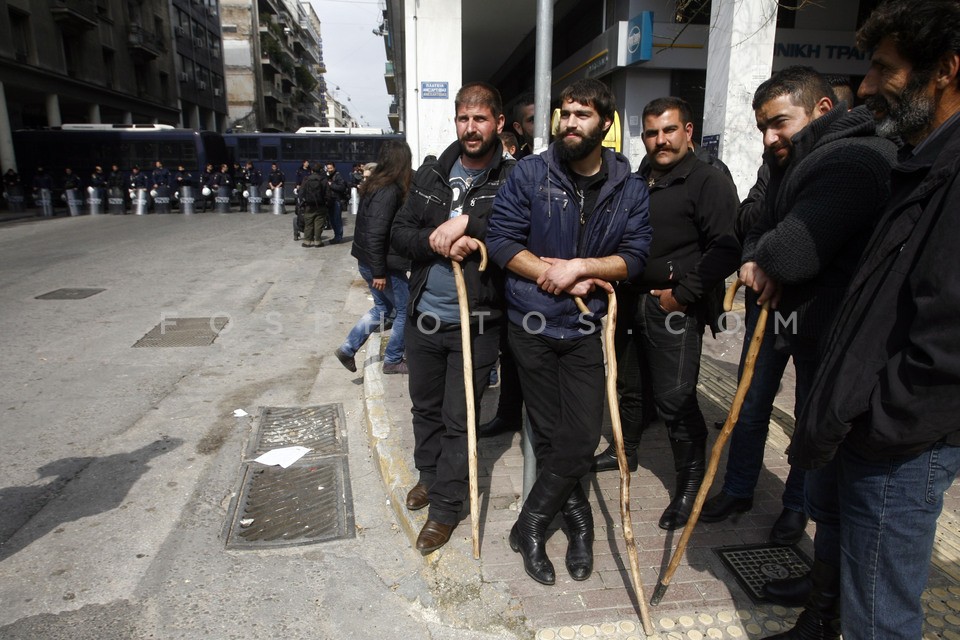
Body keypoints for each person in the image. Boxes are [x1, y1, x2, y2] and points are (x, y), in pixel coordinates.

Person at [767, 3, 960, 639]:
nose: (868, 86)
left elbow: (946, 338)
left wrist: (880, 420)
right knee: (856, 585)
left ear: (946, 71)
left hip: (903, 440)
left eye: (886, 69)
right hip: (870, 420)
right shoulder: (919, 159)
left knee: (880, 615)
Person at [726, 66, 897, 637]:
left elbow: (793, 251)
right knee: (823, 474)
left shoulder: (852, 159)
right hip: (814, 346)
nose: (771, 137)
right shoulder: (787, 166)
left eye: (781, 123)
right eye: (763, 128)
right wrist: (760, 254)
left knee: (856, 507)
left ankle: (832, 604)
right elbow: (753, 225)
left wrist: (770, 255)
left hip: (853, 357)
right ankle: (821, 605)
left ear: (822, 109)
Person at [486, 78, 652, 584]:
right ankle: (580, 526)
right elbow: (500, 239)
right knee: (557, 435)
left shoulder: (630, 186)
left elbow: (637, 255)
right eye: (565, 113)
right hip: (531, 326)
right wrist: (546, 273)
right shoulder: (529, 174)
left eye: (582, 115)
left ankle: (530, 523)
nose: (570, 123)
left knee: (580, 438)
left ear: (605, 122)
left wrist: (581, 266)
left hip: (585, 327)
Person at [589, 96, 740, 531]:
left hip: (673, 308)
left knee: (674, 397)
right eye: (652, 133)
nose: (661, 140)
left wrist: (683, 295)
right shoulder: (639, 180)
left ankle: (690, 486)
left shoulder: (707, 181)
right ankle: (626, 453)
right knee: (630, 387)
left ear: (688, 131)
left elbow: (727, 248)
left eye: (669, 130)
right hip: (630, 301)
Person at [390, 82, 515, 554]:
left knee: (459, 418)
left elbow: (517, 225)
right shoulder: (431, 174)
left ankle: (446, 507)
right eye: (464, 118)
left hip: (476, 322)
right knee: (423, 409)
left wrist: (470, 226)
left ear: (498, 124)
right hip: (424, 316)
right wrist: (436, 241)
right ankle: (429, 476)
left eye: (480, 119)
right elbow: (400, 235)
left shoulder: (513, 177)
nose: (471, 128)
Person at [334, 140, 413, 375]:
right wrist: (379, 271)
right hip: (382, 265)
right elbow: (376, 233)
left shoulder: (376, 185)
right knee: (405, 309)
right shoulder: (389, 191)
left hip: (371, 261)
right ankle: (393, 359)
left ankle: (347, 349)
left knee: (382, 309)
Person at [298, 164, 328, 248]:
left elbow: (301, 193)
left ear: (311, 171)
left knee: (308, 224)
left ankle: (307, 242)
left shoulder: (306, 179)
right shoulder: (323, 180)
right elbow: (328, 194)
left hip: (308, 206)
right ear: (321, 171)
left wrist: (302, 202)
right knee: (318, 224)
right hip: (321, 206)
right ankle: (318, 242)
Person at [324, 162, 348, 243]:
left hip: (337, 200)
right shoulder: (327, 176)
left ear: (334, 168)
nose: (329, 170)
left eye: (331, 168)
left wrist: (331, 185)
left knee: (337, 219)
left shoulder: (338, 176)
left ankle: (338, 237)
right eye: (328, 168)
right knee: (332, 220)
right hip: (330, 200)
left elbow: (342, 187)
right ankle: (336, 235)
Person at [508, 92, 535, 159]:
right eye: (532, 120)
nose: (541, 125)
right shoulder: (517, 166)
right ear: (518, 128)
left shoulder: (563, 155)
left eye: (544, 117)